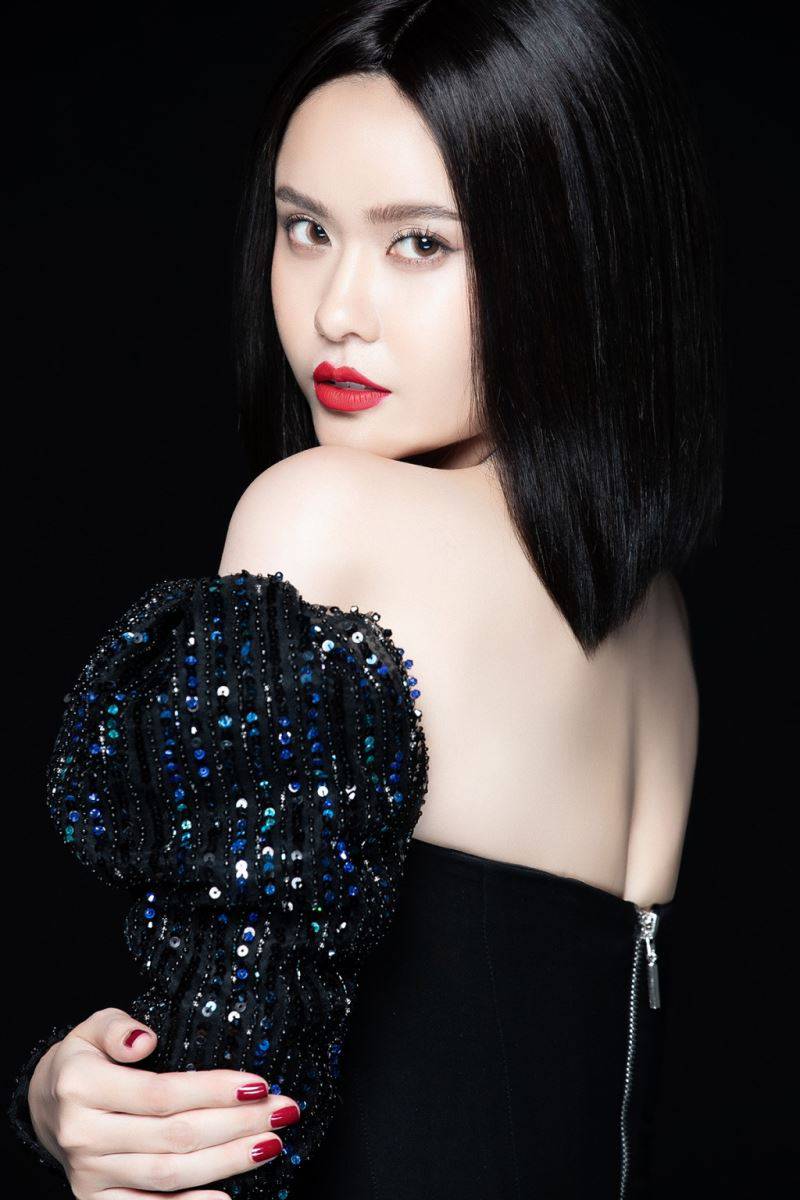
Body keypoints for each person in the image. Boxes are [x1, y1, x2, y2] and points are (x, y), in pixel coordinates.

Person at [7, 1, 723, 1197]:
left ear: (578, 251)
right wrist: (72, 1099)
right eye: (304, 229)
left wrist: (64, 1112)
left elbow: (206, 1144)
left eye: (420, 244)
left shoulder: (326, 514)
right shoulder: (652, 615)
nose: (336, 310)